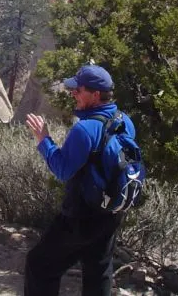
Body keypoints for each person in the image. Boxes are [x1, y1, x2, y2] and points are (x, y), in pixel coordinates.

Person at [24, 64, 135, 296]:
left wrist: (43, 140)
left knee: (40, 265)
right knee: (99, 272)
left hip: (80, 216)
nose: (73, 93)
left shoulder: (85, 130)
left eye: (78, 89)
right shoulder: (125, 121)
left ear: (95, 95)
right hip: (111, 211)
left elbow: (63, 170)